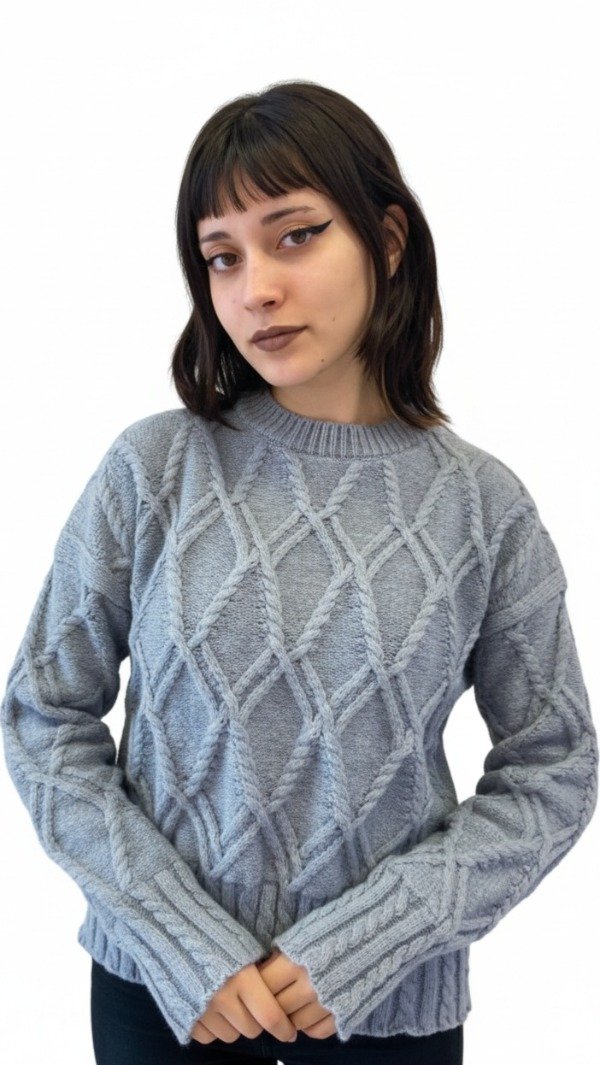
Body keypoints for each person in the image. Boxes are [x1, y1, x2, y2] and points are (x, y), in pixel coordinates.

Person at [1, 80, 597, 1065]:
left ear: (388, 242)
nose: (255, 290)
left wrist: (369, 943)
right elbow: (41, 714)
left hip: (386, 1018)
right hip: (163, 1007)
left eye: (296, 236)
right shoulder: (155, 469)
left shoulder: (484, 508)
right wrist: (177, 939)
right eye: (222, 257)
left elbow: (556, 766)